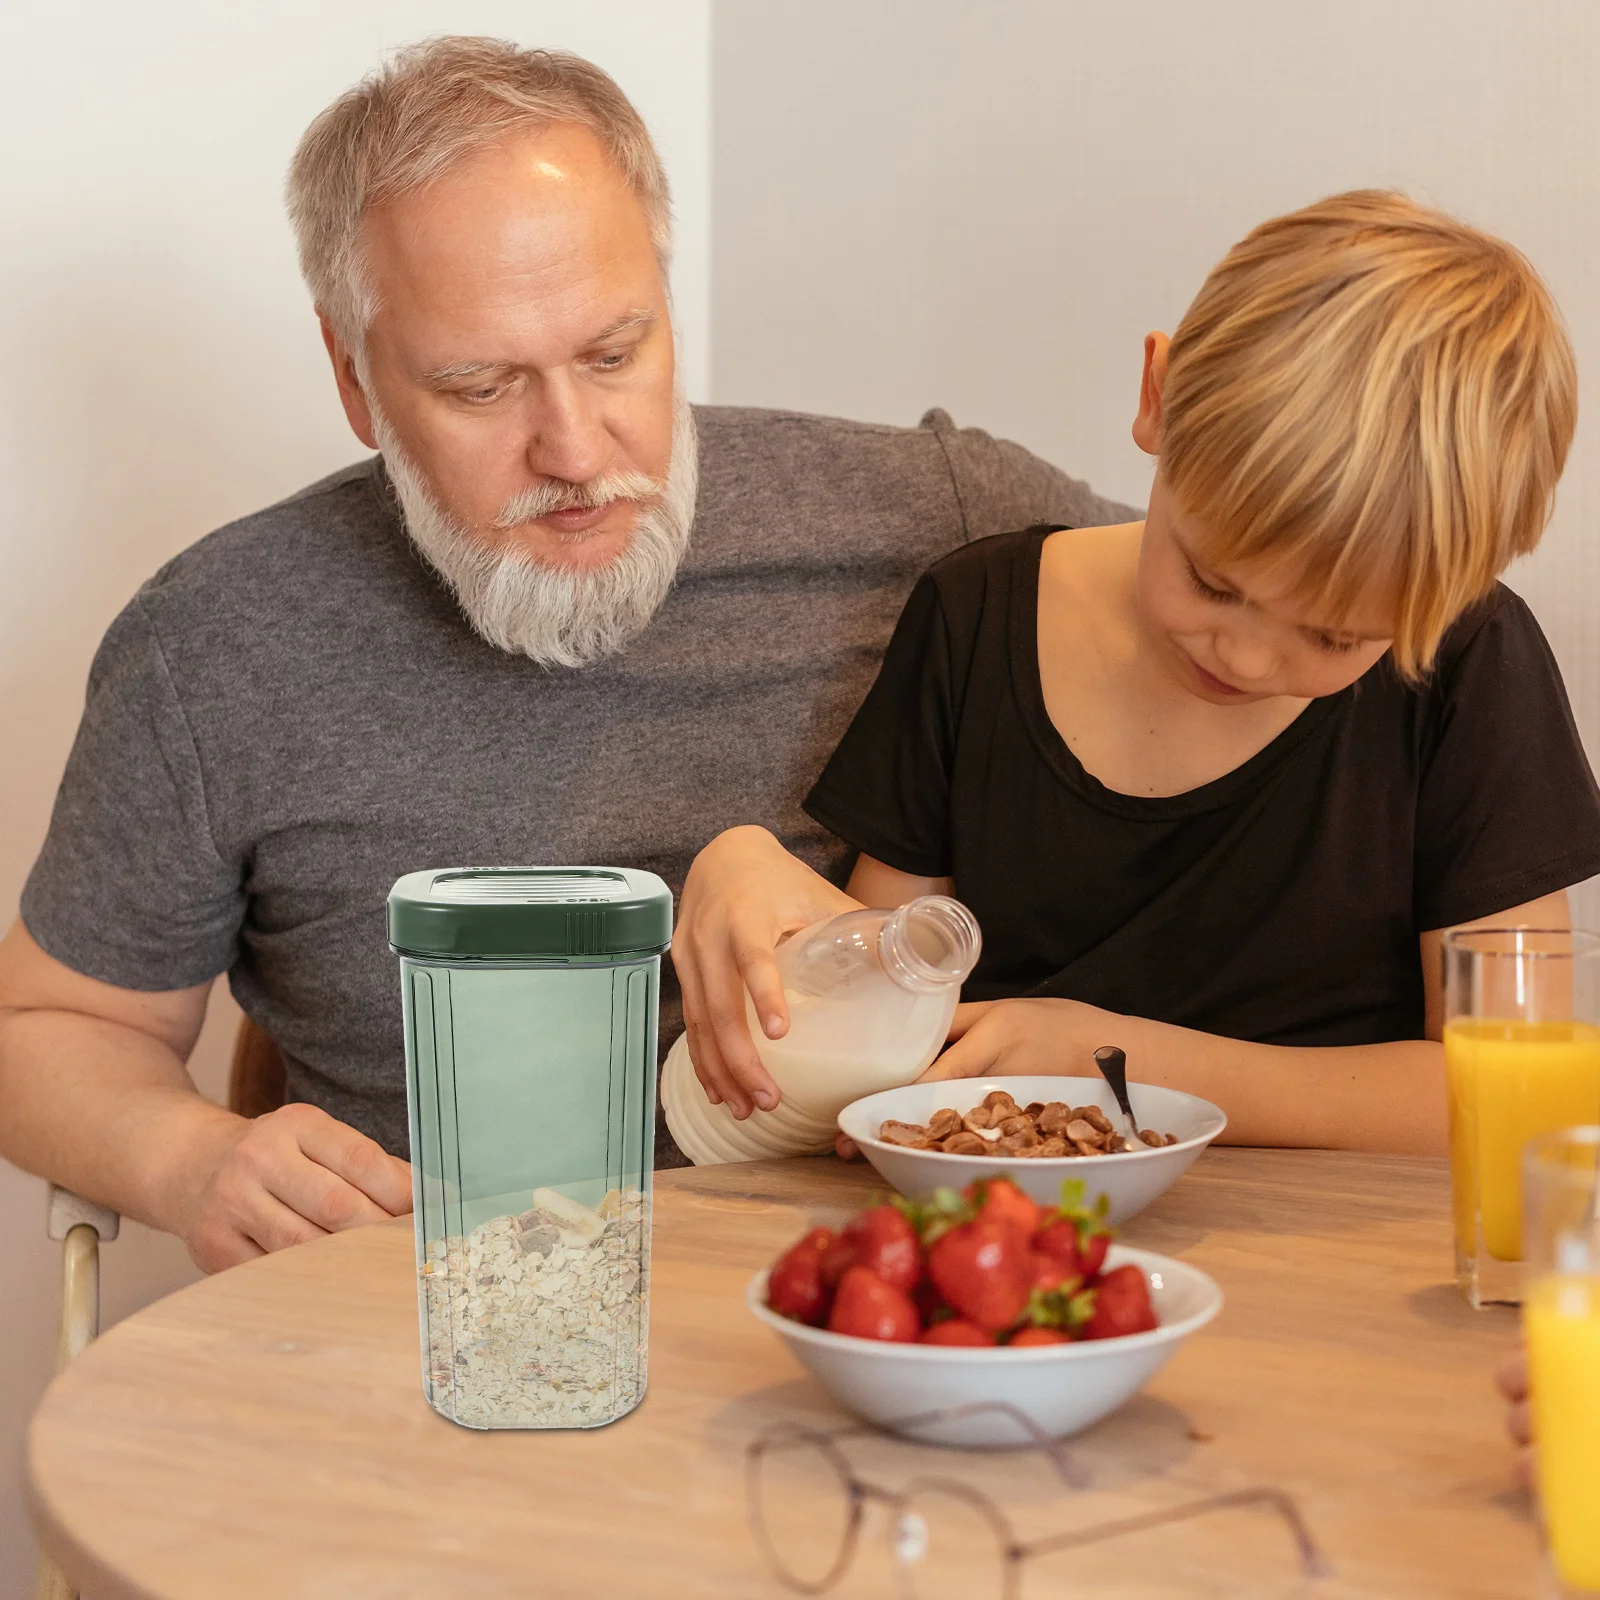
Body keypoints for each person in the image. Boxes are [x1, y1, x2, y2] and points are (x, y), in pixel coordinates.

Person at [0, 38, 1133, 1270]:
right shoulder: (213, 644)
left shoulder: (936, 524)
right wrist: (189, 1158)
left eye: (614, 352)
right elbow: (51, 1023)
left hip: (885, 1319)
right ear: (354, 377)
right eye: (482, 387)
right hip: (434, 1337)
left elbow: (1279, 629)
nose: (579, 450)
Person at [673, 192, 1600, 1156]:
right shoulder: (975, 618)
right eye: (1211, 580)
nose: (1244, 657)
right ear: (1158, 398)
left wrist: (1116, 1066)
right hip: (1009, 1248)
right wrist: (745, 868)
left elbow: (1516, 1096)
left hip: (1345, 1269)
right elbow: (872, 1022)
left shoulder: (1467, 663)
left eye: (1334, 639)